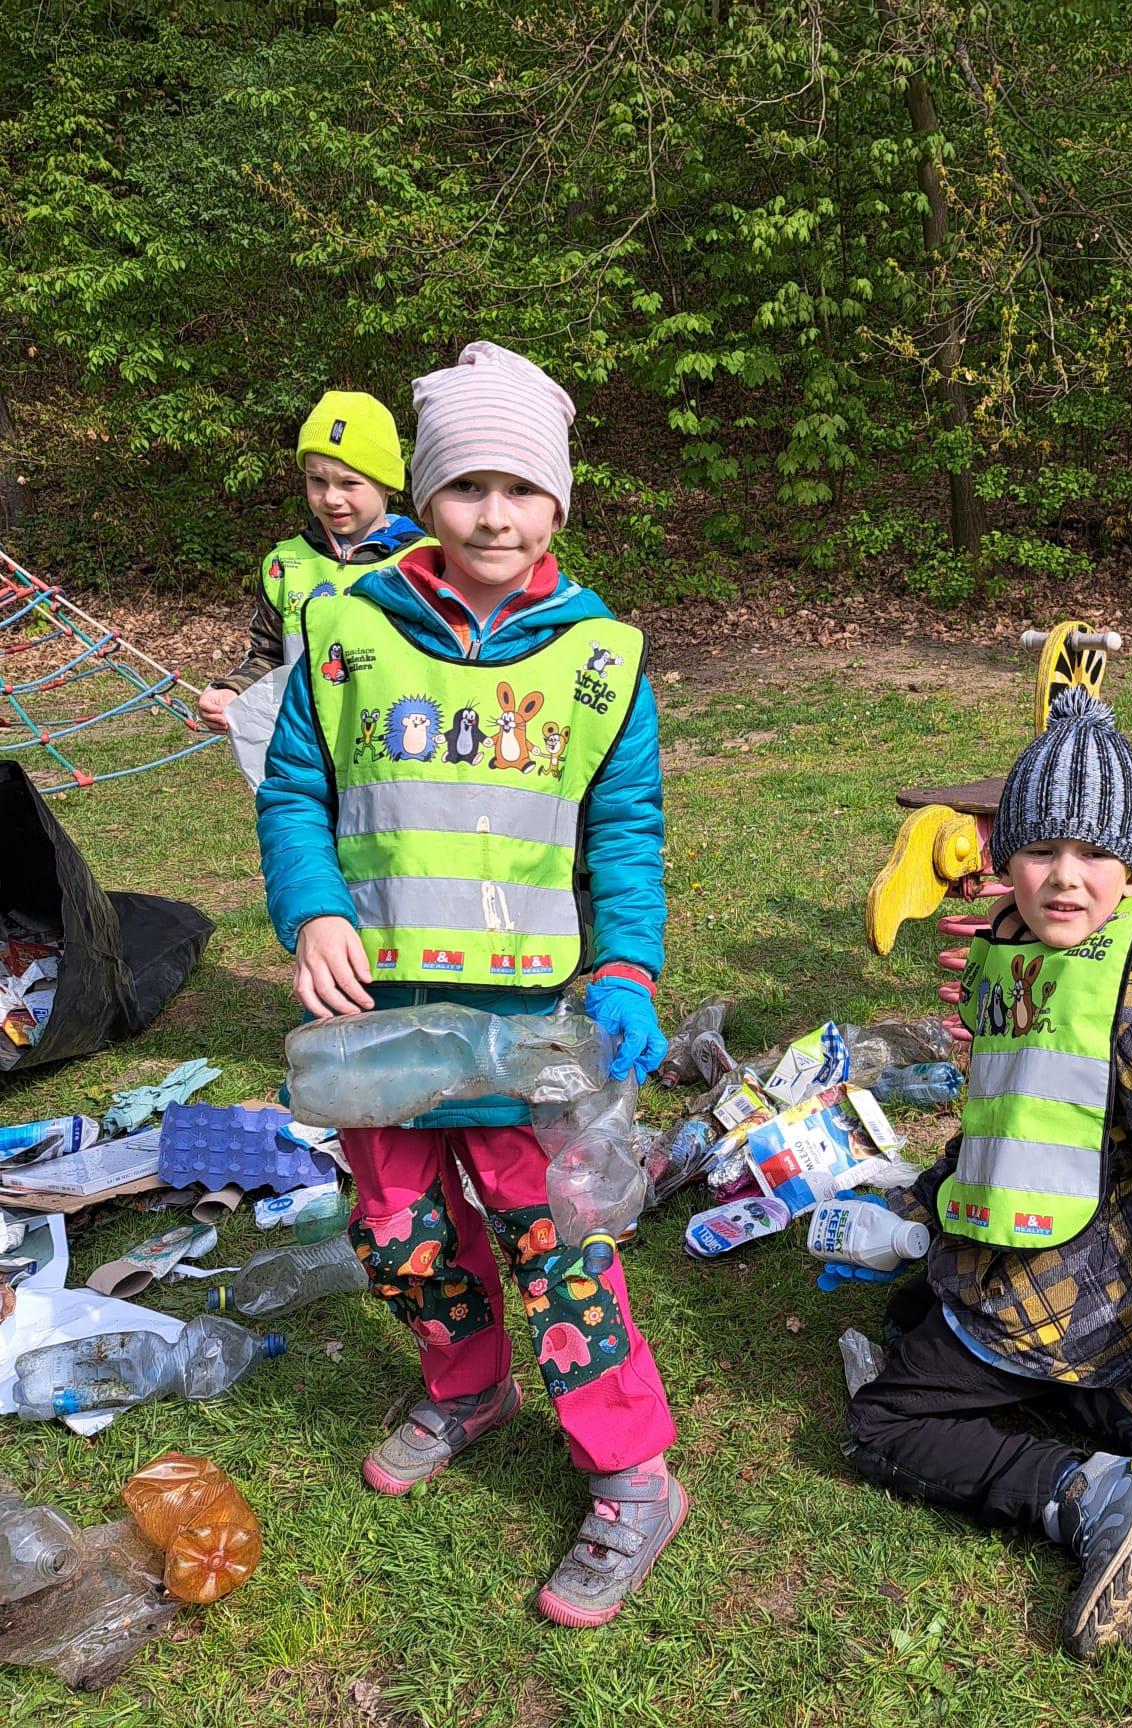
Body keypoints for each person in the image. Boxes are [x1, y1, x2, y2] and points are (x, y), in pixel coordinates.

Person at [256, 341, 681, 1628]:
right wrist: (314, 907)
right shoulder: (346, 635)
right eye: (465, 487)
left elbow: (626, 831)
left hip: (525, 1029)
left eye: (521, 488)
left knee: (556, 1242)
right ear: (423, 501)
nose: (494, 513)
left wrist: (624, 965)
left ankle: (630, 1473)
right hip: (377, 1022)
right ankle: (466, 1382)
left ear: (559, 503)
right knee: (399, 1232)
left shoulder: (604, 657)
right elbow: (295, 793)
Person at [844, 689, 1132, 1660]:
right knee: (912, 1315)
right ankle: (1116, 1407)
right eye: (1040, 852)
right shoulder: (1018, 957)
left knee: (884, 1423)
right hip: (1032, 1265)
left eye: (1094, 854)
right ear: (1004, 864)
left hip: (1075, 1296)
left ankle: (1098, 1492)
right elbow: (1015, 1115)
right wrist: (929, 1202)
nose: (1064, 880)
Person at [197, 390, 430, 732]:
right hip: (308, 755)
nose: (331, 498)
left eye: (350, 483)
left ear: (388, 484)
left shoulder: (426, 561)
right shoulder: (284, 564)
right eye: (317, 480)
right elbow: (268, 656)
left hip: (398, 750)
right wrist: (233, 690)